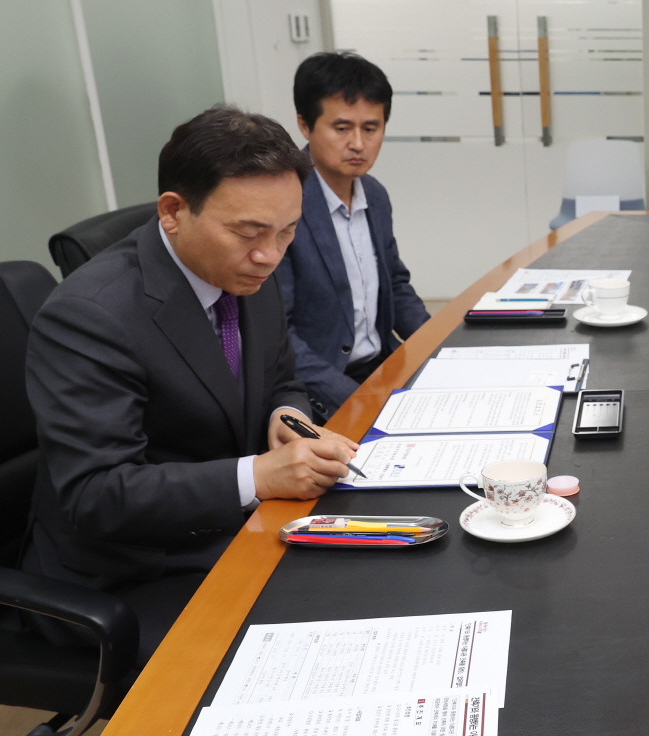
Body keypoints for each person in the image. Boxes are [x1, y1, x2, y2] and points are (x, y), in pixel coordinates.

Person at [24, 107, 361, 659]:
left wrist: (285, 417)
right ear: (174, 211)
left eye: (287, 231)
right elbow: (99, 495)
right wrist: (259, 473)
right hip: (132, 574)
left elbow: (282, 379)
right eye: (249, 232)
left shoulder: (247, 267)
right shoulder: (90, 315)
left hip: (230, 535)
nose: (270, 255)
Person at [282, 52, 430, 421]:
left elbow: (395, 284)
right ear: (304, 124)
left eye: (371, 128)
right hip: (319, 384)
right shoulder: (283, 203)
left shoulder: (374, 194)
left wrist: (437, 344)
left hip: (380, 368)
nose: (358, 144)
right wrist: (354, 400)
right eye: (342, 128)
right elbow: (277, 334)